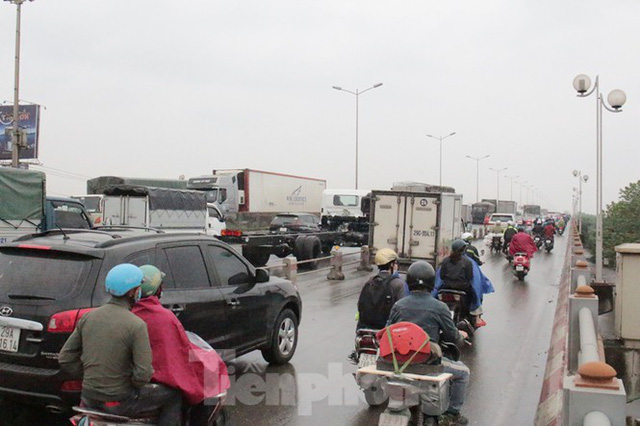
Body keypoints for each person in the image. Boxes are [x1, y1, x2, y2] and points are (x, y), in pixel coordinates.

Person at [59, 264, 182, 426]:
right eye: (139, 287)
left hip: (88, 397)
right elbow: (143, 374)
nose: (140, 291)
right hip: (119, 402)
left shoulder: (89, 317)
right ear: (131, 292)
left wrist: (91, 375)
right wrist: (128, 383)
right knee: (173, 396)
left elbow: (65, 358)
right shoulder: (136, 325)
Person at [132, 265, 230, 424]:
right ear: (157, 290)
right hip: (141, 383)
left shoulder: (121, 314)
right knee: (178, 394)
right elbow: (178, 355)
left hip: (108, 386)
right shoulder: (162, 318)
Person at [387, 261, 470, 425]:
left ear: (409, 282)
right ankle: (452, 414)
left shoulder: (399, 305)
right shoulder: (439, 307)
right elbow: (452, 336)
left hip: (399, 363)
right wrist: (462, 336)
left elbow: (388, 332)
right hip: (428, 364)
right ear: (432, 283)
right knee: (464, 373)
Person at [356, 248, 406, 330]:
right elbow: (403, 311)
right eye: (396, 263)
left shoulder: (369, 282)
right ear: (392, 265)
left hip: (365, 329)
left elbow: (360, 305)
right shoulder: (398, 284)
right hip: (387, 331)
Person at [433, 240, 476, 317]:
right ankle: (471, 316)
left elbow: (442, 276)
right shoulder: (468, 262)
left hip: (446, 288)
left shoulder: (445, 261)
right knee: (473, 295)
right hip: (463, 289)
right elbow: (470, 277)